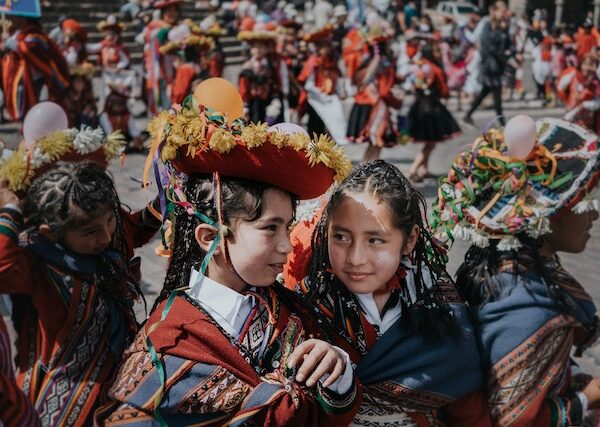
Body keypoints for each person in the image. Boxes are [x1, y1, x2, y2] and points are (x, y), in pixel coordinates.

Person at [95, 91, 361, 425]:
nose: (287, 246)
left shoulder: (292, 315)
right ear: (210, 238)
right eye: (270, 228)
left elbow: (332, 416)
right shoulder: (166, 345)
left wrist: (338, 372)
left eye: (288, 227)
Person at [284, 160, 491, 426]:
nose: (356, 258)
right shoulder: (307, 306)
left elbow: (468, 401)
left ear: (410, 240)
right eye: (341, 237)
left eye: (376, 240)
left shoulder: (437, 301)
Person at [432, 117, 600, 426]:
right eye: (582, 203)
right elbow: (514, 420)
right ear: (547, 218)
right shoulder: (533, 308)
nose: (594, 214)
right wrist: (589, 395)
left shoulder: (493, 261)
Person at [0, 126, 162, 425]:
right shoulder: (37, 262)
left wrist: (165, 203)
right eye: (90, 231)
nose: (105, 235)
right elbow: (2, 268)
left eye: (110, 220)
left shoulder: (106, 240)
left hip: (113, 380)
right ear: (52, 233)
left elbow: (133, 228)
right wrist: (10, 211)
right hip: (58, 396)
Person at [346, 28, 402, 162]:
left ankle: (366, 166)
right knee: (377, 137)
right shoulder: (382, 62)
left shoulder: (368, 61)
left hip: (368, 103)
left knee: (375, 139)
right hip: (377, 105)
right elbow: (384, 89)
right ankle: (368, 167)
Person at [407, 43, 460, 182]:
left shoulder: (419, 66)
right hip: (431, 107)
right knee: (431, 142)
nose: (439, 53)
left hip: (419, 106)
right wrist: (446, 94)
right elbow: (444, 90)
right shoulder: (434, 69)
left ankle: (424, 169)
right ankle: (413, 169)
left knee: (430, 141)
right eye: (436, 50)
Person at [1, 15, 70, 121]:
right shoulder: (17, 34)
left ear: (23, 19)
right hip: (23, 80)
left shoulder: (35, 35)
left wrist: (10, 42)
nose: (12, 20)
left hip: (37, 80)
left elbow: (27, 50)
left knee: (37, 109)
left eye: (15, 17)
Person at [463, 1, 509, 127]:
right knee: (497, 97)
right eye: (501, 10)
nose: (503, 13)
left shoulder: (502, 26)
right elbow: (488, 46)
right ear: (494, 11)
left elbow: (507, 44)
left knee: (485, 92)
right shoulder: (487, 25)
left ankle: (468, 115)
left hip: (497, 66)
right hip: (491, 67)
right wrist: (502, 56)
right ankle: (503, 124)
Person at [238, 23, 288, 124]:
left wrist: (275, 101)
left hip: (268, 103)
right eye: (255, 47)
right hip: (253, 105)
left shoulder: (271, 65)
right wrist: (245, 106)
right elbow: (243, 88)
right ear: (251, 49)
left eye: (261, 47)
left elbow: (275, 85)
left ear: (266, 49)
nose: (258, 50)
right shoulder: (247, 66)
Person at [557, 52, 600, 133]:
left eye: (590, 65)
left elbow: (598, 103)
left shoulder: (596, 83)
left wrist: (584, 105)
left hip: (587, 122)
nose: (587, 68)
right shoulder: (573, 75)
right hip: (570, 118)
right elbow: (561, 86)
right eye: (585, 64)